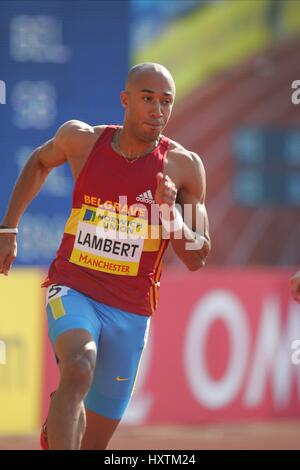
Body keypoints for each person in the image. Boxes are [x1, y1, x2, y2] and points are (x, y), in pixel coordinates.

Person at [0, 62, 210, 450]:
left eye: (166, 102)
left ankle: (59, 427)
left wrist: (172, 216)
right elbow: (39, 161)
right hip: (73, 286)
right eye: (147, 99)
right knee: (78, 367)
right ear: (125, 100)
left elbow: (198, 255)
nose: (157, 111)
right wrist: (8, 229)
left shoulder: (183, 168)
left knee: (93, 442)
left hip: (130, 310)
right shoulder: (82, 141)